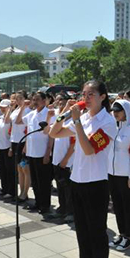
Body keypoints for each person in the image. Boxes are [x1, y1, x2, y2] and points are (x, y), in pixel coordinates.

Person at [49, 80, 117, 258]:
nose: (85, 98)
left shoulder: (107, 122)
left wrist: (77, 121)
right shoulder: (84, 118)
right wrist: (63, 114)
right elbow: (53, 132)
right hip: (77, 181)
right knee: (82, 235)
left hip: (95, 184)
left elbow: (88, 150)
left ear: (103, 97)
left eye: (91, 94)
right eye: (84, 94)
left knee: (97, 236)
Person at [107, 99, 130, 251]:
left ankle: (128, 236)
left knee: (127, 205)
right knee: (117, 205)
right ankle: (121, 233)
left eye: (118, 111)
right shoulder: (111, 128)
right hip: (111, 173)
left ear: (126, 112)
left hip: (125, 174)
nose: (115, 114)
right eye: (113, 111)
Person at [19, 92, 53, 215]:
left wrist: (48, 152)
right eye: (33, 99)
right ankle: (38, 202)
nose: (35, 101)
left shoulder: (49, 114)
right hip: (32, 152)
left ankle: (45, 205)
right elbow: (27, 129)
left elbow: (50, 135)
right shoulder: (31, 114)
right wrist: (25, 147)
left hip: (42, 153)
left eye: (38, 99)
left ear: (44, 101)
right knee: (35, 181)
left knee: (43, 181)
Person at [51, 93, 76, 223]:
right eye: (58, 101)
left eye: (63, 101)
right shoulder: (60, 120)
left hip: (67, 161)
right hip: (57, 159)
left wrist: (65, 159)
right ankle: (62, 208)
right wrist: (65, 108)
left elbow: (73, 144)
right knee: (60, 186)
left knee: (68, 188)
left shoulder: (73, 122)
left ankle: (70, 212)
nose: (59, 103)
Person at [8, 91, 32, 201]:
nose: (18, 101)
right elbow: (9, 122)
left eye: (21, 98)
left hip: (23, 141)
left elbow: (19, 122)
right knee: (19, 169)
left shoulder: (28, 110)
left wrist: (23, 107)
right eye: (16, 98)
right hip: (14, 140)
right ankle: (21, 191)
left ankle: (25, 192)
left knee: (25, 169)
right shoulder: (16, 110)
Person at [0, 98, 16, 200]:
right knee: (2, 170)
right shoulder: (0, 117)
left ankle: (11, 191)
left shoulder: (11, 118)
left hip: (7, 147)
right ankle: (4, 189)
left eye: (4, 107)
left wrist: (9, 110)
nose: (2, 109)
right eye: (1, 107)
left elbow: (7, 123)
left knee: (9, 170)